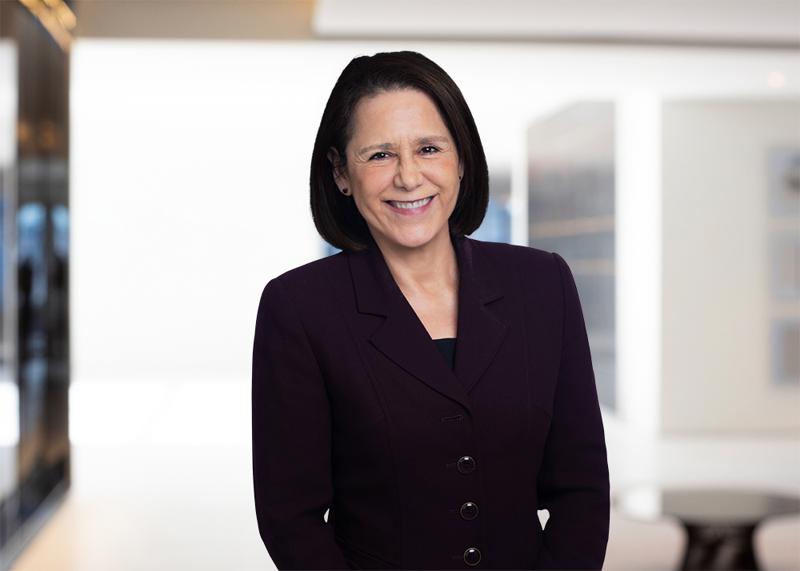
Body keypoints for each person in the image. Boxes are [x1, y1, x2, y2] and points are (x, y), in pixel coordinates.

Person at [252, 50, 610, 570]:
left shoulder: (542, 284)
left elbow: (582, 489)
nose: (408, 176)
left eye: (428, 148)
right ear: (341, 173)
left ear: (460, 159)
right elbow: (290, 518)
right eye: (380, 155)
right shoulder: (299, 309)